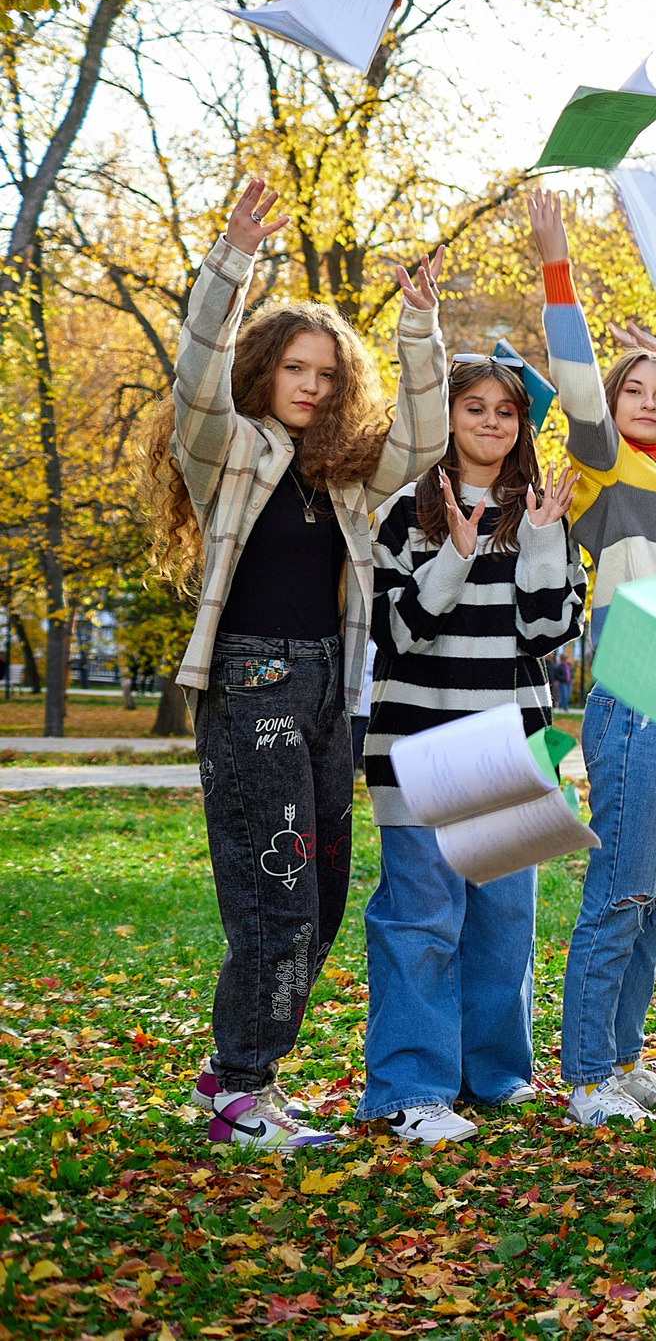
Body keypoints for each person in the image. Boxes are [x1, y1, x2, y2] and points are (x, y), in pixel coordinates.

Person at [140, 178, 448, 1153]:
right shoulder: (226, 451)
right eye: (294, 368)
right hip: (251, 684)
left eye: (326, 372)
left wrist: (421, 329)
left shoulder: (347, 476)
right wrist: (230, 261)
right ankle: (243, 1086)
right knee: (275, 889)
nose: (311, 385)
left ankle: (238, 1063)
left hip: (329, 690)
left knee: (320, 899)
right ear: (264, 370)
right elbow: (196, 374)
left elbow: (426, 438)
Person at [533, 190, 656, 1128]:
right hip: (640, 675)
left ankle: (622, 1057)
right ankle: (585, 1077)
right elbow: (575, 379)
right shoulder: (606, 464)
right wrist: (557, 267)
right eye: (634, 390)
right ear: (611, 407)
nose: (648, 401)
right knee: (618, 893)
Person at [358, 361, 586, 1143]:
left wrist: (544, 539)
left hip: (512, 747)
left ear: (522, 426)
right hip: (421, 743)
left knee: (502, 923)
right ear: (447, 417)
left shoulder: (542, 512)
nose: (490, 421)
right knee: (422, 921)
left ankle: (492, 1075)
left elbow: (547, 632)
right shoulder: (404, 512)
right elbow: (398, 633)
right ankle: (411, 1088)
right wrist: (455, 553)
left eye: (505, 411)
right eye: (474, 407)